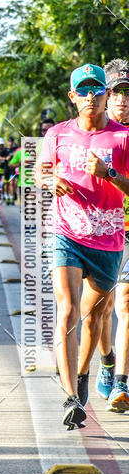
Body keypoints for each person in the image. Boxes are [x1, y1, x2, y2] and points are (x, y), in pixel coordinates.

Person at [35, 63, 129, 430]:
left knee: (92, 318)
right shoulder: (56, 134)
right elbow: (41, 171)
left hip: (108, 240)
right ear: (72, 96)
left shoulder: (122, 138)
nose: (91, 97)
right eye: (83, 91)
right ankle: (71, 396)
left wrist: (108, 174)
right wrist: (49, 178)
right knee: (69, 311)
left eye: (97, 90)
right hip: (66, 233)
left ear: (106, 95)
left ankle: (84, 374)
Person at [95, 59, 129, 409]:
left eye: (128, 93)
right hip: (100, 231)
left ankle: (121, 383)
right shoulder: (91, 131)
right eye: (116, 93)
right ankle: (106, 360)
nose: (123, 100)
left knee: (126, 304)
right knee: (102, 309)